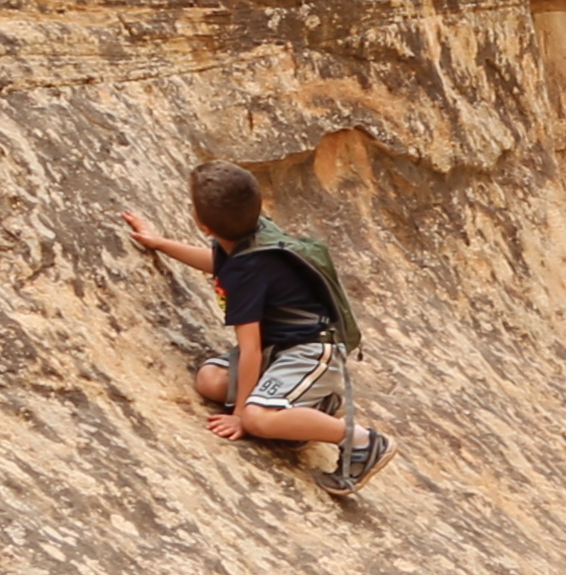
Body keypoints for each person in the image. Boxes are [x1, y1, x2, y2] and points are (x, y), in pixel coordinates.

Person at [123, 164, 394, 496]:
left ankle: (364, 441)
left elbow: (249, 348)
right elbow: (219, 263)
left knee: (255, 419)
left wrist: (239, 416)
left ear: (203, 224)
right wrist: (160, 244)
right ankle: (309, 408)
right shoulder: (252, 235)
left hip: (313, 351)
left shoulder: (247, 270)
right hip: (279, 350)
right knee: (210, 380)